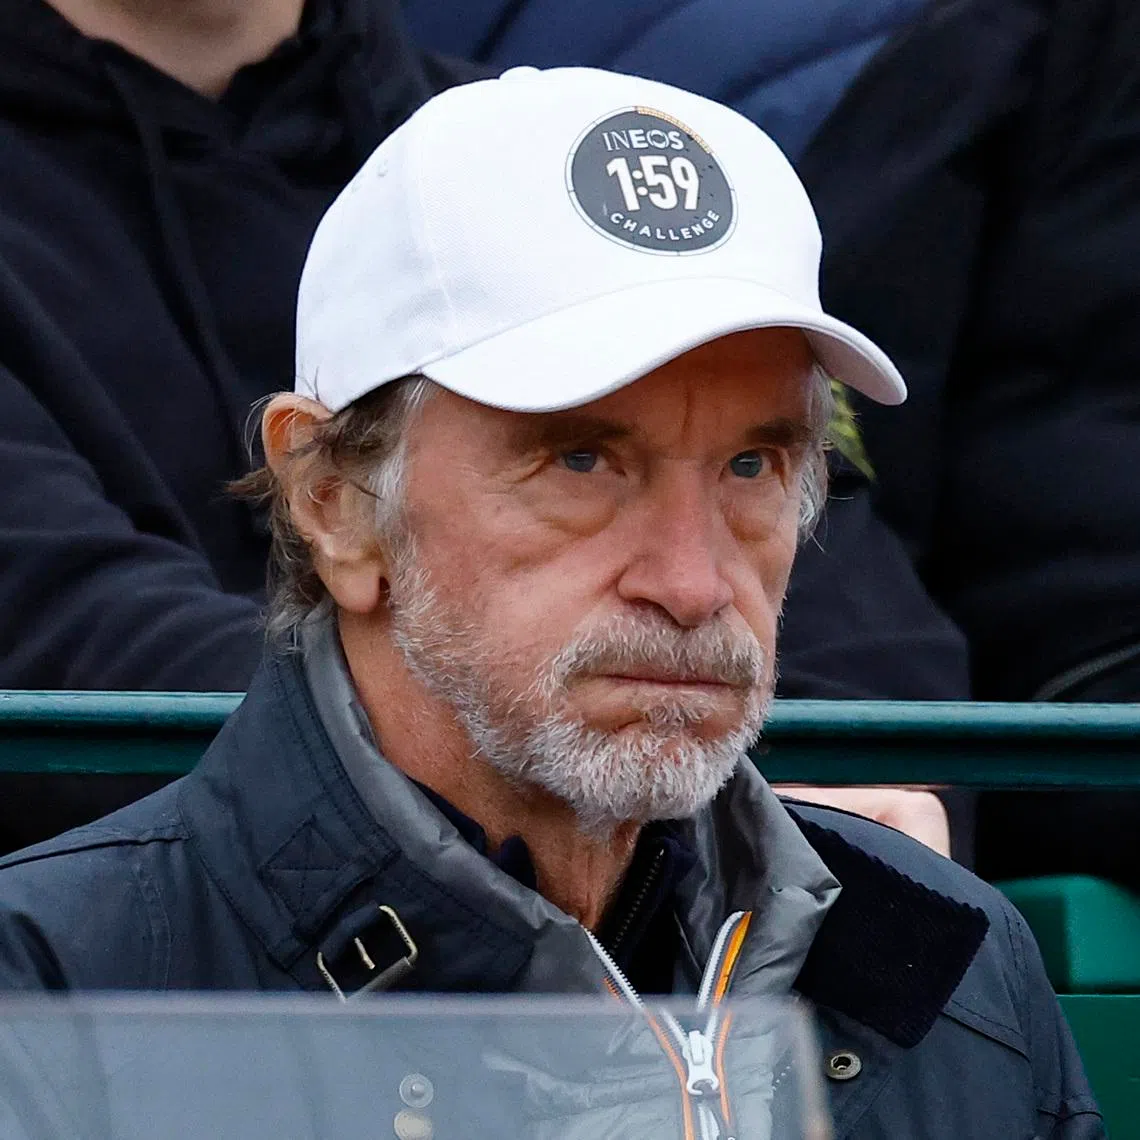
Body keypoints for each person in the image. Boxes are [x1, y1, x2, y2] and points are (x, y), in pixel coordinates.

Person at [0, 69, 1099, 1137]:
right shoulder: (49, 990)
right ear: (334, 502)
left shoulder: (951, 967)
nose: (690, 582)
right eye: (580, 460)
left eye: (753, 467)